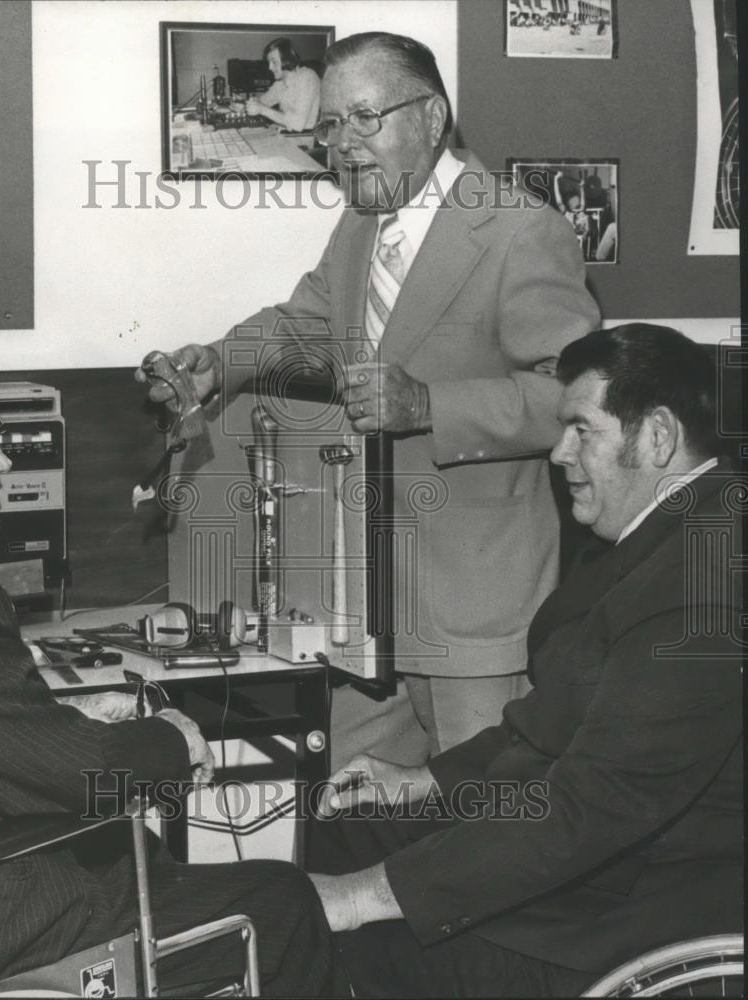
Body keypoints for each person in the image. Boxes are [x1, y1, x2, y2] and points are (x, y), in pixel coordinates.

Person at [0, 326, 346, 997]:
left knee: (138, 857)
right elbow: (81, 777)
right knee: (278, 900)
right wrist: (170, 740)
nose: (5, 463)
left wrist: (62, 712)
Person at [137, 32, 600, 766]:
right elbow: (304, 326)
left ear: (432, 117)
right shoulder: (360, 225)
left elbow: (576, 401)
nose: (341, 145)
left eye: (363, 118)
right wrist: (215, 366)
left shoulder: (518, 228)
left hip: (471, 610)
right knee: (348, 818)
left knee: (482, 832)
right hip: (359, 606)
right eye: (329, 125)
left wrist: (430, 407)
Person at [305, 323, 743, 996]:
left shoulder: (700, 589)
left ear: (656, 436)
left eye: (581, 430)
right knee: (331, 833)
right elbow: (558, 719)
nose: (558, 452)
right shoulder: (673, 531)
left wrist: (363, 899)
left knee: (331, 942)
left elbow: (594, 805)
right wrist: (429, 780)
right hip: (587, 854)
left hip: (623, 910)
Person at [245, 37, 321, 132]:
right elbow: (261, 103)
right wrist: (245, 106)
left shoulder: (308, 77)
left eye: (274, 62)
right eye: (269, 62)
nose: (270, 67)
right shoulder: (280, 84)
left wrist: (262, 109)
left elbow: (298, 124)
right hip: (285, 136)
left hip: (304, 140)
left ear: (287, 59)